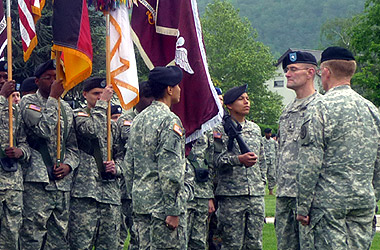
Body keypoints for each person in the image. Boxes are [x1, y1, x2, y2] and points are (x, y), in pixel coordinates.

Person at [296, 46, 380, 249]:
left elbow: (310, 163)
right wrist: (373, 194)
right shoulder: (371, 109)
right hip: (363, 200)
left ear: (326, 72)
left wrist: (303, 206)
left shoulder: (320, 107)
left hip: (330, 203)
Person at [124, 66, 187, 249]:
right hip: (163, 208)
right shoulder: (170, 120)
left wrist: (136, 196)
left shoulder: (138, 119)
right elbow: (171, 170)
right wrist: (173, 210)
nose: (179, 90)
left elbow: (129, 165)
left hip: (142, 205)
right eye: (177, 86)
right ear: (169, 89)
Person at [19, 59, 79, 250]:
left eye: (57, 78)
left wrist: (68, 165)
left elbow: (73, 147)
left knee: (59, 238)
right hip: (38, 182)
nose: (54, 82)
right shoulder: (29, 103)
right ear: (37, 81)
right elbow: (43, 130)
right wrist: (53, 98)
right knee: (32, 235)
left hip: (61, 184)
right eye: (48, 78)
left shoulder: (66, 109)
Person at [69, 77, 123, 249]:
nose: (100, 97)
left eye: (102, 94)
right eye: (96, 94)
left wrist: (118, 167)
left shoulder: (113, 125)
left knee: (109, 245)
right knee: (81, 243)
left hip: (109, 194)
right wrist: (103, 104)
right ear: (85, 94)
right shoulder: (78, 114)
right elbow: (91, 129)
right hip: (86, 192)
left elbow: (122, 154)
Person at [275, 51, 320, 250]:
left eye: (293, 69)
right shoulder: (287, 111)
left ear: (311, 72)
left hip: (309, 197)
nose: (287, 74)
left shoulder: (320, 107)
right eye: (286, 70)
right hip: (285, 193)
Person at [214, 84, 267, 250]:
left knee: (255, 244)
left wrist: (262, 183)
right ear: (229, 105)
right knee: (232, 244)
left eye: (248, 99)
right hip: (231, 195)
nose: (246, 102)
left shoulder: (254, 129)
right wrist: (238, 159)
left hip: (255, 195)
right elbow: (215, 160)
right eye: (241, 99)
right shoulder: (218, 130)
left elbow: (262, 161)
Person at [117, 81, 154, 250]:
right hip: (129, 186)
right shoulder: (125, 121)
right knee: (130, 233)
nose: (150, 101)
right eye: (146, 97)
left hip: (151, 188)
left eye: (152, 97)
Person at [0, 66, 30, 250]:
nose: (3, 80)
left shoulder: (14, 110)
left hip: (12, 184)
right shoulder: (4, 102)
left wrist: (21, 152)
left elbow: (24, 142)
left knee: (11, 237)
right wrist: (2, 98)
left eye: (5, 76)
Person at [263, 128, 277, 195]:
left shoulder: (273, 141)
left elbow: (277, 150)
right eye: (268, 133)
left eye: (270, 133)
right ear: (265, 133)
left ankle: (271, 191)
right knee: (263, 176)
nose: (269, 134)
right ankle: (262, 190)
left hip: (272, 161)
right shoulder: (262, 141)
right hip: (264, 162)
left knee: (272, 176)